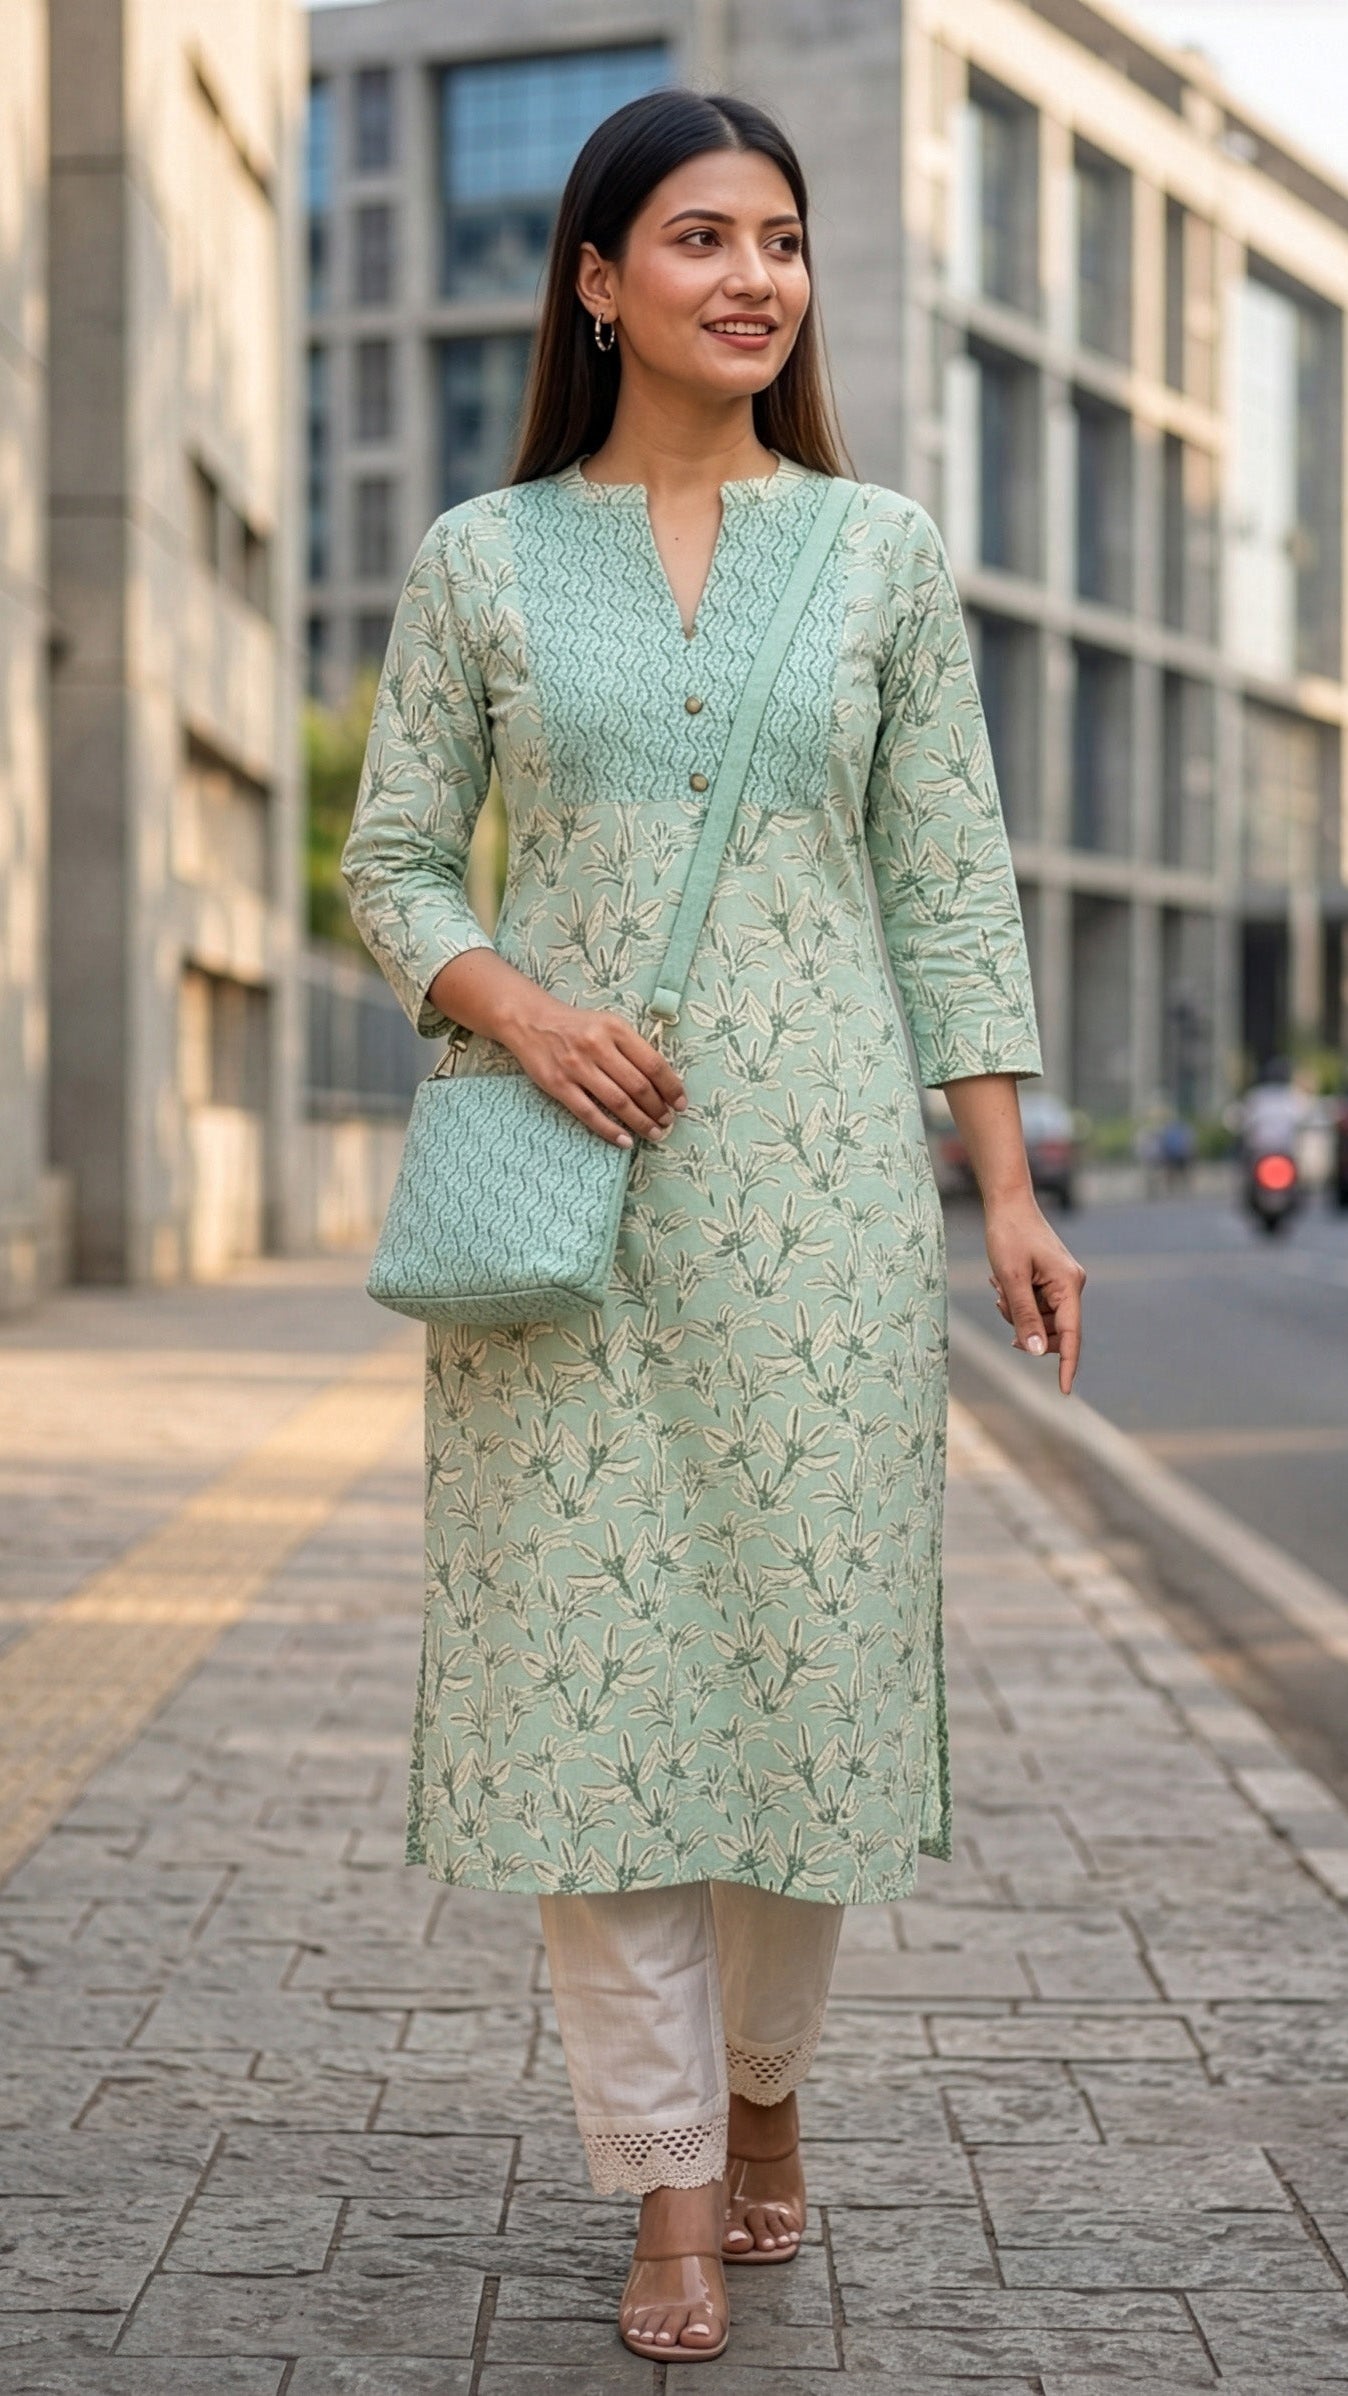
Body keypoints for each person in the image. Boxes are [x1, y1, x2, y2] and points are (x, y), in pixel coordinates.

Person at [342, 86, 1086, 2367]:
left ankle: (766, 2094)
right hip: (562, 1225)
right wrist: (516, 1005)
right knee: (593, 1714)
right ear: (594, 277)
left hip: (817, 1216)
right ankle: (667, 2181)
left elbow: (946, 879)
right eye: (697, 237)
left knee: (800, 1686)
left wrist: (999, 1180)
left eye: (776, 239)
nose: (751, 276)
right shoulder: (479, 555)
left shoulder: (873, 549)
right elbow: (387, 862)